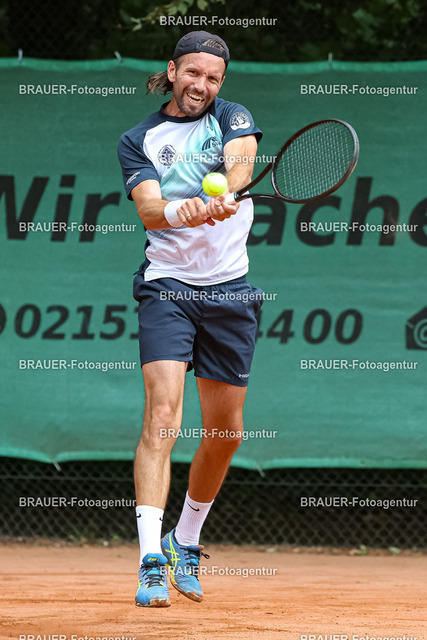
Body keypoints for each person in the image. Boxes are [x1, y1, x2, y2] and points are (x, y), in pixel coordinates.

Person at [117, 30, 263, 608]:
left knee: (226, 435)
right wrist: (189, 210)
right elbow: (151, 211)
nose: (203, 85)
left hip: (230, 291)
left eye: (214, 77)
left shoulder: (232, 116)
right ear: (173, 71)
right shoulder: (139, 139)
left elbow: (241, 162)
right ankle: (151, 560)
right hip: (168, 289)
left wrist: (227, 190)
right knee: (162, 418)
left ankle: (184, 541)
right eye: (194, 73)